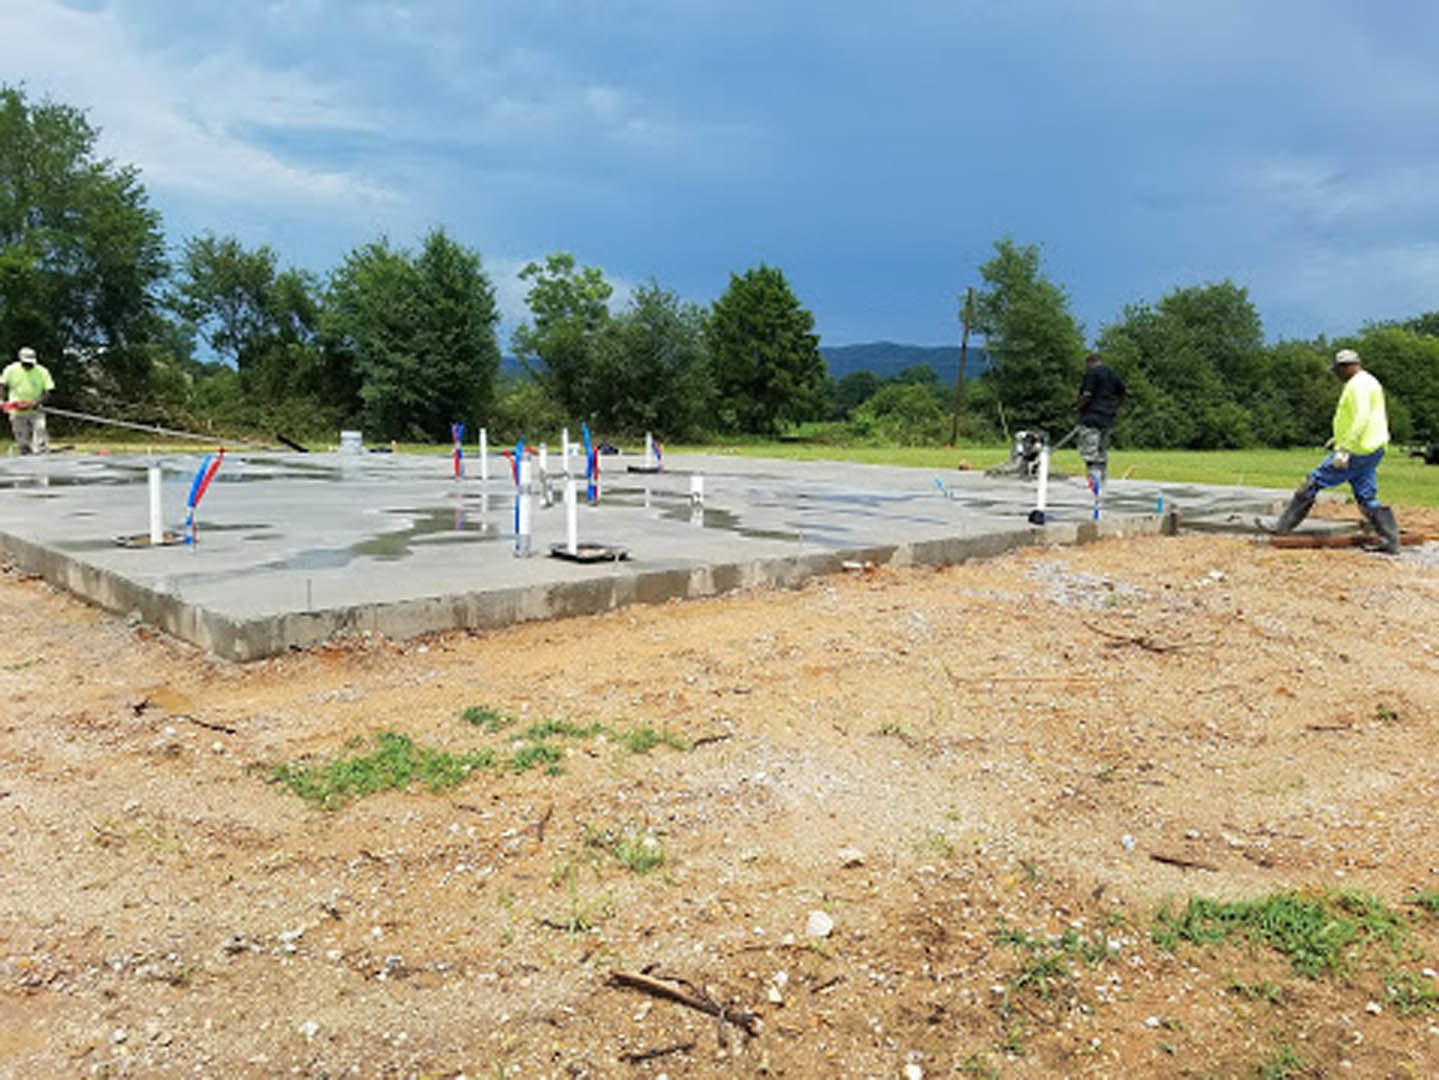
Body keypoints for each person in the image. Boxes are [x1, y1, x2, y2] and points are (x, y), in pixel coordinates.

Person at [1271, 348, 1399, 553]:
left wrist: (1345, 448)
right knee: (1366, 496)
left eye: (1337, 370)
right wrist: (1337, 438)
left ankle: (1281, 529)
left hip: (1357, 449)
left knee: (1312, 482)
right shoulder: (1369, 381)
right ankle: (1390, 540)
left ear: (1346, 366)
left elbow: (1361, 418)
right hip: (1372, 448)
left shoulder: (1358, 386)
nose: (1335, 375)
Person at [1074, 351, 1127, 495]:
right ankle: (1103, 479)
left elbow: (1087, 394)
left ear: (1090, 363)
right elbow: (1123, 392)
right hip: (1108, 417)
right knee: (1103, 449)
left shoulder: (1091, 374)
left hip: (1092, 416)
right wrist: (1117, 407)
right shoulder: (1112, 374)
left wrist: (1077, 407)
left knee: (1090, 450)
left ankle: (1093, 481)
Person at [2, 346, 55, 454]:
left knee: (40, 441)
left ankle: (41, 461)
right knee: (23, 442)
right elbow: (1, 385)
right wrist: (1, 401)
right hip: (17, 412)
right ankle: (25, 460)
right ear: (20, 359)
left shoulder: (42, 371)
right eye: (25, 363)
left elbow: (49, 391)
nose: (28, 365)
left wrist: (37, 403)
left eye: (30, 363)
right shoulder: (10, 370)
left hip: (36, 411)